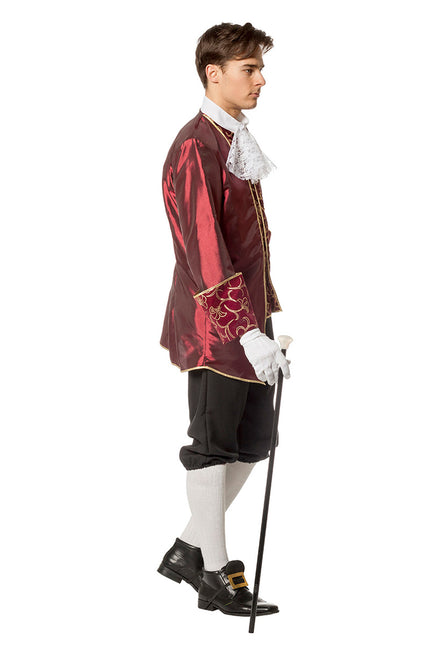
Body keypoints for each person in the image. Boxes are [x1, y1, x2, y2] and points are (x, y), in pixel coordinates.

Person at [157, 22, 290, 617]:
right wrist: (245, 330)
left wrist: (265, 323)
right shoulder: (196, 145)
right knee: (213, 447)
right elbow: (204, 251)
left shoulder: (231, 138)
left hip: (250, 322)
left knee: (254, 442)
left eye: (260, 68)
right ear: (214, 74)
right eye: (249, 69)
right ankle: (213, 572)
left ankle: (188, 550)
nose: (261, 80)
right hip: (216, 327)